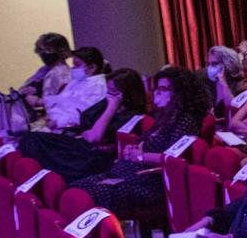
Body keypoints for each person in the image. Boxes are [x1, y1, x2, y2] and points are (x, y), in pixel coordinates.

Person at [70, 67, 210, 216]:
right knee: (76, 188)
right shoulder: (163, 117)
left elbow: (173, 158)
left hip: (150, 183)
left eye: (163, 89)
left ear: (179, 93)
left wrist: (141, 156)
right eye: (156, 88)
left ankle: (100, 236)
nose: (157, 92)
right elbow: (145, 145)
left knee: (93, 193)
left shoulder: (185, 121)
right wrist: (132, 149)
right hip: (127, 175)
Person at [21, 65, 146, 180]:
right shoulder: (106, 101)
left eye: (113, 91)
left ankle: (51, 180)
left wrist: (112, 107)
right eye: (108, 90)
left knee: (76, 164)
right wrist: (89, 132)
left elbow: (94, 138)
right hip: (81, 143)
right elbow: (86, 125)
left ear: (126, 94)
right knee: (32, 139)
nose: (108, 95)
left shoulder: (132, 116)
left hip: (96, 156)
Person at [39, 46, 112, 133]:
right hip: (51, 123)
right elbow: (61, 101)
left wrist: (57, 122)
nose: (73, 69)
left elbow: (84, 115)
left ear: (92, 68)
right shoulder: (76, 81)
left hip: (69, 130)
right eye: (73, 65)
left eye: (77, 65)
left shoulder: (98, 87)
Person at [18, 33, 74, 124]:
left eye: (45, 51)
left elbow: (61, 102)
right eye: (39, 51)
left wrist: (38, 101)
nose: (41, 54)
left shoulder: (61, 73)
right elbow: (24, 87)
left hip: (46, 119)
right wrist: (28, 90)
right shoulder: (44, 70)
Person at [204, 44, 247, 115]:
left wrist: (223, 83)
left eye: (214, 64)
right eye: (209, 64)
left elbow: (233, 110)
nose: (210, 68)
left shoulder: (244, 85)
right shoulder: (211, 84)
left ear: (228, 64)